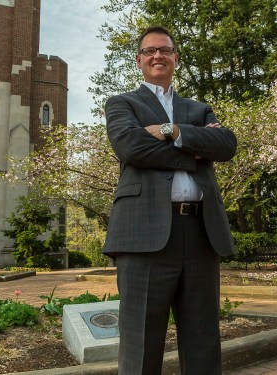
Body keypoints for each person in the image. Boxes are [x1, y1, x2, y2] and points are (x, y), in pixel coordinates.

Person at [103, 25, 237, 374]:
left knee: (203, 343)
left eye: (164, 50)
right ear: (139, 60)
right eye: (149, 51)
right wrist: (195, 150)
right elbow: (131, 147)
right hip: (142, 236)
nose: (157, 56)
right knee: (140, 347)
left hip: (201, 234)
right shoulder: (122, 104)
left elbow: (225, 146)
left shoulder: (198, 108)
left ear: (175, 58)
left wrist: (172, 131)